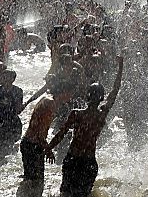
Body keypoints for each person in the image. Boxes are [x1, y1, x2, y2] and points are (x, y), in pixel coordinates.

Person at [46, 55, 124, 197]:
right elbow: (115, 90)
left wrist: (48, 148)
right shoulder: (101, 114)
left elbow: (60, 134)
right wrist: (120, 67)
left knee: (66, 194)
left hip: (73, 159)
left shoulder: (76, 114)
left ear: (87, 96)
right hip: (88, 162)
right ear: (101, 98)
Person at [20, 95, 56, 183]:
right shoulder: (50, 104)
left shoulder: (45, 100)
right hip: (34, 146)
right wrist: (48, 150)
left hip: (27, 143)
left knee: (29, 180)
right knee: (37, 182)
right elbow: (40, 134)